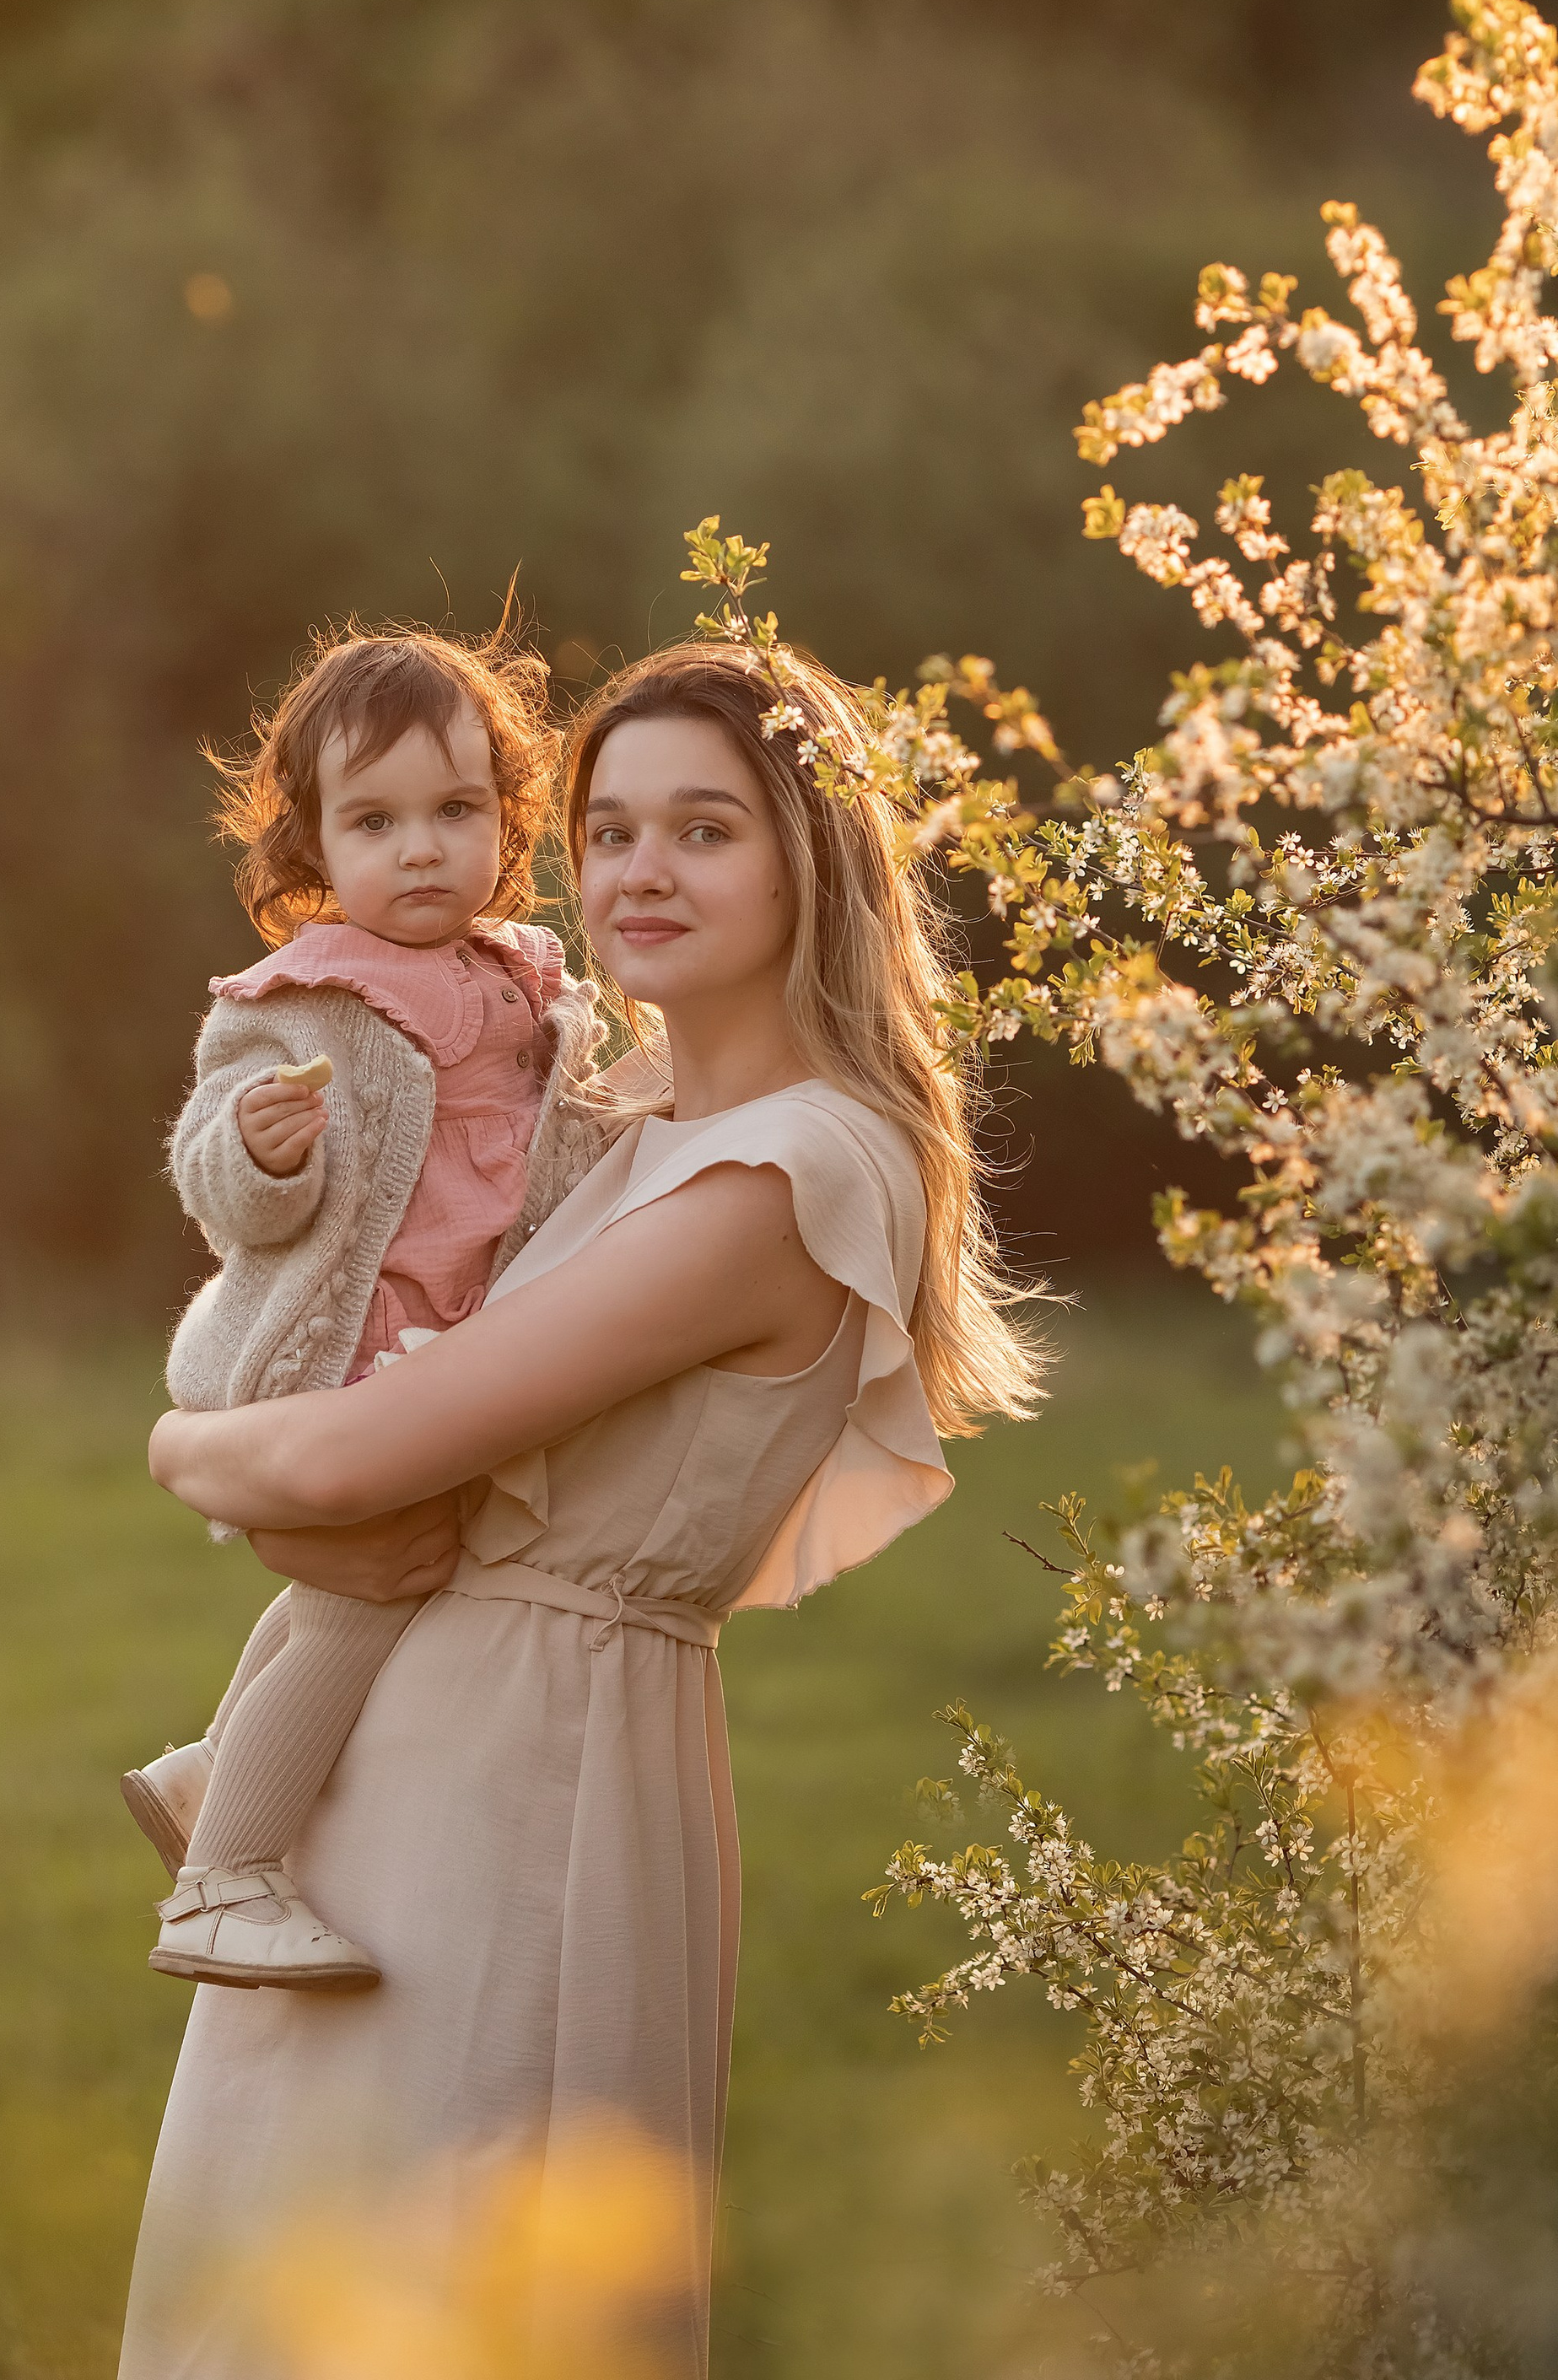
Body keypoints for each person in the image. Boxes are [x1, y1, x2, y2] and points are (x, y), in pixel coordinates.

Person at [121, 633, 1045, 2379]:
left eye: (703, 830)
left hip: (527, 1779)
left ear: (809, 858)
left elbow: (339, 1463)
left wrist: (187, 1458)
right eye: (610, 830)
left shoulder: (788, 1170)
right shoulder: (612, 1127)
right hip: (396, 1762)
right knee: (284, 2287)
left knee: (456, 2288)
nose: (638, 871)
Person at [127, 622, 623, 1989]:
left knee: (372, 1585)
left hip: (454, 1348)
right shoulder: (305, 998)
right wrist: (262, 1152)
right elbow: (214, 1169)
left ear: (509, 824)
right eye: (376, 820)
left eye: (457, 812)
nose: (421, 849)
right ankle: (222, 1879)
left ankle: (205, 1778)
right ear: (314, 849)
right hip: (341, 1358)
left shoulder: (529, 985)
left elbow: (562, 1143)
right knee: (365, 1600)